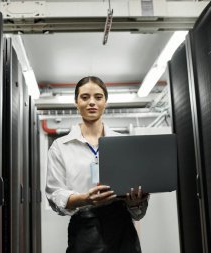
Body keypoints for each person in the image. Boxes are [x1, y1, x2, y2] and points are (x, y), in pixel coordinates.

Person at [46, 76, 150, 253]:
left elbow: (138, 212)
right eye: (85, 97)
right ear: (76, 102)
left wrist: (136, 201)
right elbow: (55, 195)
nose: (91, 102)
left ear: (106, 102)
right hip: (84, 229)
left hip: (122, 229)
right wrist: (84, 199)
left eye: (98, 97)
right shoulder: (60, 146)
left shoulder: (124, 143)